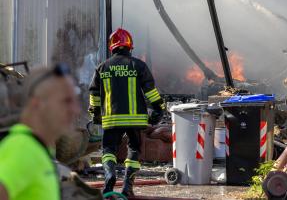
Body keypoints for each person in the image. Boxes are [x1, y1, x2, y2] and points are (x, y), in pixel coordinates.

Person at [88, 28, 165, 197]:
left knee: (108, 149)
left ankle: (110, 175)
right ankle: (127, 187)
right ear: (130, 46)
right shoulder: (138, 65)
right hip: (135, 120)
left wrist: (95, 115)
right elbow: (150, 91)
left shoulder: (102, 67)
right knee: (134, 149)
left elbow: (94, 94)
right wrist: (159, 108)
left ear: (112, 47)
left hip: (111, 120)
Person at [0, 64, 80, 200]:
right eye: (66, 101)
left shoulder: (38, 149)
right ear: (37, 104)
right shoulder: (23, 150)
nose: (75, 110)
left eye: (74, 101)